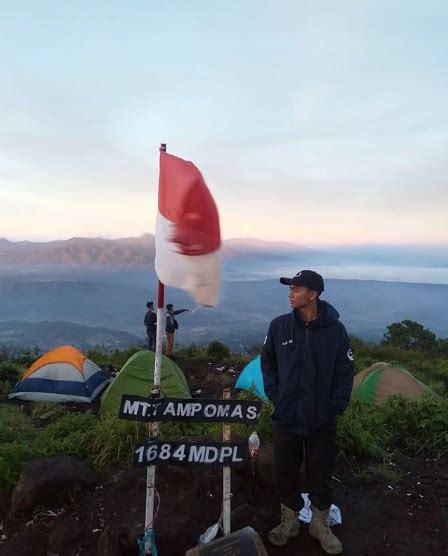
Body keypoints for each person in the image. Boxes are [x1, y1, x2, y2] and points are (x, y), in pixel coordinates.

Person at [261, 270, 354, 555]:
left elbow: (344, 372)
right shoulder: (279, 327)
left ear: (313, 295)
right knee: (285, 473)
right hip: (287, 418)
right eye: (290, 288)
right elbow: (268, 362)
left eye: (296, 289)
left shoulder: (335, 331)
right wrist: (277, 395)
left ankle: (319, 525)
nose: (290, 293)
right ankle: (289, 523)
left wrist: (333, 408)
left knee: (321, 475)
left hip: (320, 420)